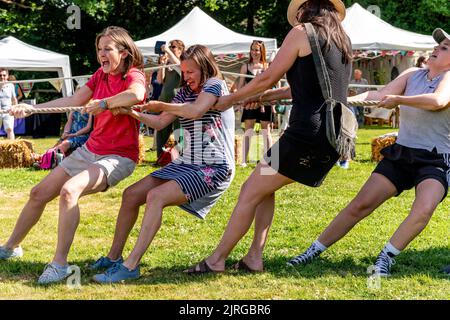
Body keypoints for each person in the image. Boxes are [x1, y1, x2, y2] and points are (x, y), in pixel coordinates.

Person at [184, 0, 352, 274]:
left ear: (307, 7)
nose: (296, 14)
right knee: (263, 188)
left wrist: (231, 99)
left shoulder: (302, 31)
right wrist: (267, 97)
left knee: (250, 190)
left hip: (305, 132)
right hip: (333, 135)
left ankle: (216, 261)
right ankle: (253, 258)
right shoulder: (341, 40)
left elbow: (269, 76)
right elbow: (316, 89)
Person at [288, 27, 450, 277]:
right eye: (438, 45)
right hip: (402, 152)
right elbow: (380, 94)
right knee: (361, 204)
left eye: (444, 47)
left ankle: (386, 257)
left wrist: (400, 100)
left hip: (435, 159)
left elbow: (438, 101)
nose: (436, 49)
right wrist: (345, 100)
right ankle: (312, 250)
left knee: (424, 209)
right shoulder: (412, 74)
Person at [0, 26, 146, 284]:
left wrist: (105, 103)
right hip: (91, 150)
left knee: (69, 191)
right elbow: (74, 99)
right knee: (39, 193)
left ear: (123, 52)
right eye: (99, 49)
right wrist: (32, 108)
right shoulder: (100, 75)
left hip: (119, 156)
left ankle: (60, 265)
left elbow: (137, 95)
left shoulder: (133, 75)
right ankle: (11, 247)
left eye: (108, 49)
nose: (102, 54)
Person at [91, 45, 235, 283]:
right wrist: (131, 113)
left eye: (191, 72)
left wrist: (163, 104)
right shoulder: (183, 93)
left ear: (205, 67)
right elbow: (159, 123)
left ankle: (131, 266)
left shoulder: (214, 85)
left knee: (155, 197)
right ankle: (114, 257)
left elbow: (197, 111)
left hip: (213, 166)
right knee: (131, 195)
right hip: (188, 163)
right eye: (184, 71)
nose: (186, 76)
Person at [238, 40, 271, 167]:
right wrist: (239, 101)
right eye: (252, 49)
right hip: (250, 102)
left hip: (265, 102)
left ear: (261, 51)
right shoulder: (245, 67)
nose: (254, 52)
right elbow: (241, 86)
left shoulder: (267, 66)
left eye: (257, 50)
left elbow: (270, 85)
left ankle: (268, 159)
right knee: (248, 131)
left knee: (265, 131)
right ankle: (244, 161)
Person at [156, 40, 185, 159]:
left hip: (178, 102)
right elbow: (159, 80)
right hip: (165, 101)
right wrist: (162, 65)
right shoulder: (168, 63)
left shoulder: (183, 63)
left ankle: (181, 157)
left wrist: (166, 50)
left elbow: (179, 66)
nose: (170, 49)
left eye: (173, 47)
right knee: (162, 129)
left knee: (179, 130)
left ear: (180, 50)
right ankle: (160, 157)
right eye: (170, 47)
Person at [0, 68, 17, 140]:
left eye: (4, 75)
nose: (2, 77)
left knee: (10, 129)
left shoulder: (11, 85)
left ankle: (11, 148)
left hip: (8, 111)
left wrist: (15, 109)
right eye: (0, 75)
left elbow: (14, 99)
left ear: (7, 76)